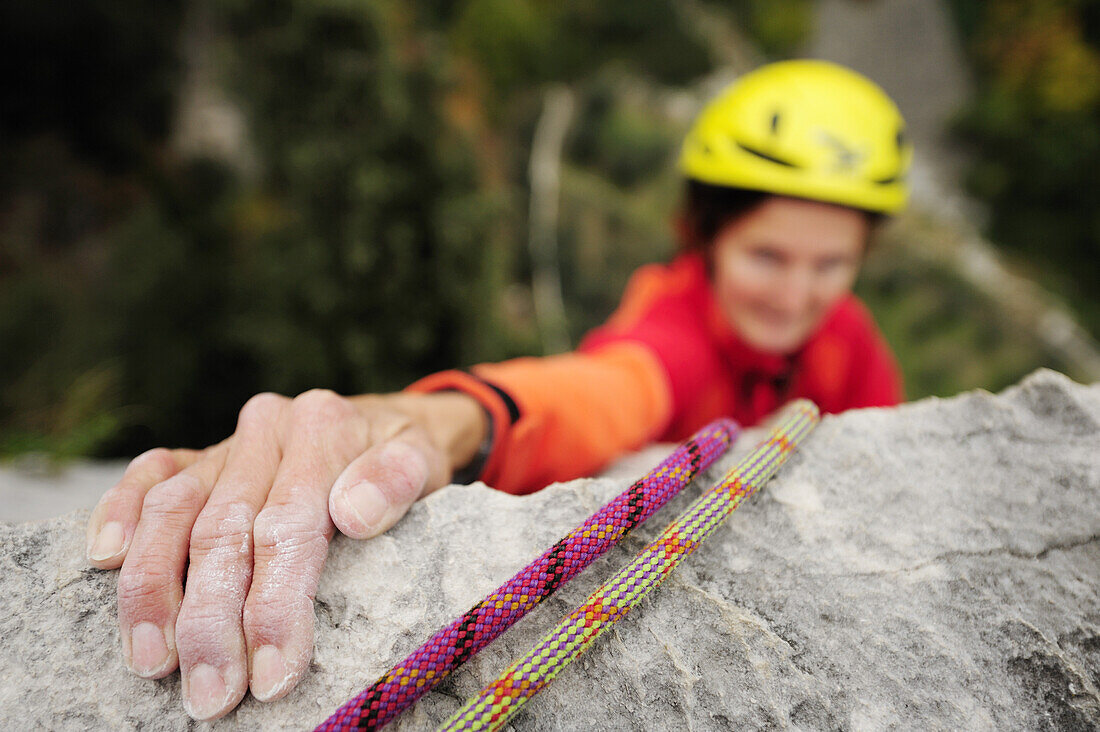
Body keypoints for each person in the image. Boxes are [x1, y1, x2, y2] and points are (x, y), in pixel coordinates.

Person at [85, 59, 910, 720]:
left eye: (830, 265)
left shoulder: (850, 343)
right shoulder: (678, 327)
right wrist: (444, 420)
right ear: (705, 234)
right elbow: (603, 390)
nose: (797, 297)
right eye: (768, 257)